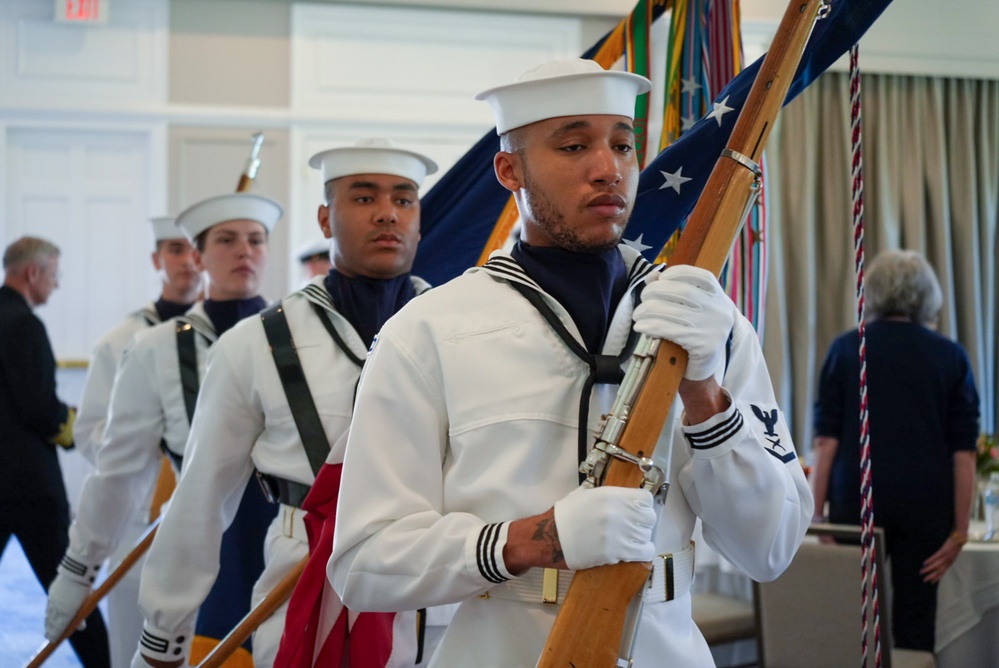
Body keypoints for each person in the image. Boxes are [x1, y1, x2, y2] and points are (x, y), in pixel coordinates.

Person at [328, 59, 813, 667]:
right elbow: (363, 564)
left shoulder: (704, 322)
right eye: (574, 145)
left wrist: (705, 395)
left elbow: (770, 549)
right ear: (510, 169)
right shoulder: (429, 332)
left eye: (623, 144)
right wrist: (533, 540)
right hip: (500, 645)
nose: (608, 169)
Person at [131, 138, 439, 668]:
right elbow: (199, 499)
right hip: (302, 581)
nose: (388, 213)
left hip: (438, 590)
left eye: (404, 199)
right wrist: (163, 638)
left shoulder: (461, 330)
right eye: (363, 199)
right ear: (325, 217)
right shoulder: (255, 344)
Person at [44, 193, 283, 666]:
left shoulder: (301, 336)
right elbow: (116, 470)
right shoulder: (153, 349)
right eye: (227, 240)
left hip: (285, 546)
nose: (244, 251)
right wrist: (79, 569)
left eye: (256, 240)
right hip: (196, 546)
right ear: (198, 256)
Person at [811, 248, 979, 652]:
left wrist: (817, 516)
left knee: (853, 625)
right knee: (915, 628)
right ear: (929, 297)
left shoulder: (846, 349)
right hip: (927, 504)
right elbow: (964, 452)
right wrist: (959, 531)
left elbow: (825, 441)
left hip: (857, 499)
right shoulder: (951, 356)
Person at [69, 216, 200, 667]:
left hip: (206, 519)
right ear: (156, 259)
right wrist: (154, 448)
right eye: (173, 250)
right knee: (135, 635)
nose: (185, 261)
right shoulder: (122, 342)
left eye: (192, 249)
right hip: (139, 516)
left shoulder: (229, 335)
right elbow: (90, 432)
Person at [1, 237, 111, 667]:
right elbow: (39, 407)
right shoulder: (25, 325)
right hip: (28, 487)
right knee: (70, 590)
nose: (57, 285)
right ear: (33, 273)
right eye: (54, 275)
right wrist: (77, 431)